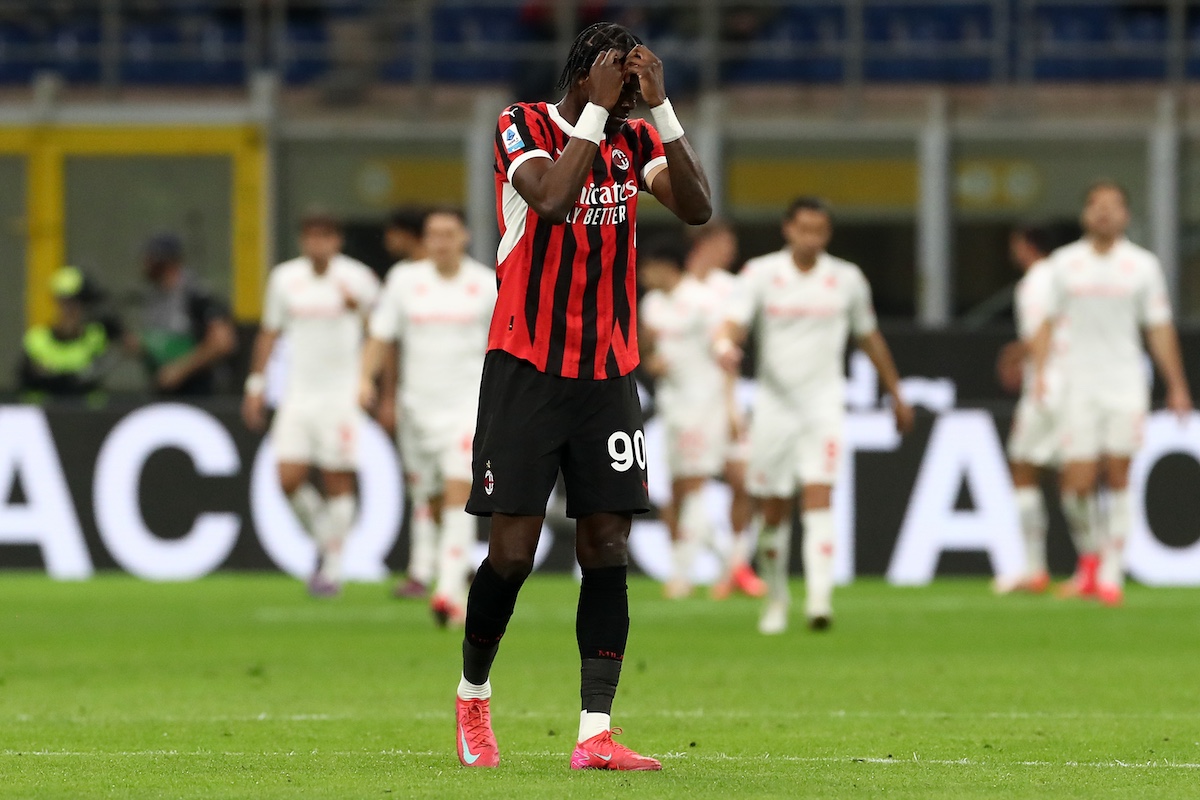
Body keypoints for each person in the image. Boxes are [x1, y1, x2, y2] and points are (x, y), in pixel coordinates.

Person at [454, 22, 711, 771]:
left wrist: (664, 114)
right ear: (591, 74)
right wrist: (597, 112)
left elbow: (695, 208)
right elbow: (555, 199)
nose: (632, 98)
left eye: (637, 87)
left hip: (606, 373)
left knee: (607, 544)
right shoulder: (520, 126)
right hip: (526, 367)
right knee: (511, 553)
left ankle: (594, 732)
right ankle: (473, 695)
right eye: (626, 84)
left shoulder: (634, 141)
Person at [715, 197, 914, 635]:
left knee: (819, 496)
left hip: (823, 406)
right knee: (773, 510)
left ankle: (820, 600)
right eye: (803, 228)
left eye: (819, 230)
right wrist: (725, 346)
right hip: (774, 408)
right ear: (787, 229)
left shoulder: (846, 279)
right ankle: (776, 597)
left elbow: (869, 337)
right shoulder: (761, 274)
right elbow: (732, 325)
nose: (811, 238)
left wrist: (896, 391)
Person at [1031, 182, 1192, 606]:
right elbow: (1046, 322)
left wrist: (1176, 385)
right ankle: (1090, 558)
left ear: (1126, 216)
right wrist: (1041, 373)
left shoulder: (1142, 266)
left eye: (1112, 206)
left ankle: (1110, 573)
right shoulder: (1065, 264)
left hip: (1124, 383)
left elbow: (1157, 328)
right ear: (1085, 214)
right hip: (1077, 384)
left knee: (1119, 474)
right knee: (1077, 483)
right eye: (1095, 206)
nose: (1103, 213)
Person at [359, 208, 496, 626]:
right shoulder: (404, 281)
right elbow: (381, 335)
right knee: (433, 501)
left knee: (459, 488)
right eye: (433, 234)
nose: (440, 242)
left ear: (464, 237)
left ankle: (448, 594)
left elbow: (504, 346)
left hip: (467, 406)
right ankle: (458, 572)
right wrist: (364, 378)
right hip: (416, 409)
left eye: (448, 233)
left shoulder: (485, 284)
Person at [242, 212, 381, 597]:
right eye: (310, 237)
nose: (316, 244)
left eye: (324, 236)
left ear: (337, 240)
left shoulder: (359, 279)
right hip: (297, 393)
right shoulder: (285, 278)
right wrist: (255, 385)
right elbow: (269, 333)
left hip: (341, 395)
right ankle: (325, 540)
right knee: (287, 478)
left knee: (338, 480)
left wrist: (371, 383)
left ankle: (332, 570)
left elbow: (382, 333)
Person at [639, 238, 742, 599]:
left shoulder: (702, 301)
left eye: (648, 268)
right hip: (672, 404)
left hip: (704, 402)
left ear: (668, 267)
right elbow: (648, 351)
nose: (642, 275)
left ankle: (681, 576)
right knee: (681, 489)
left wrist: (730, 404)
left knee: (694, 484)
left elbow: (722, 344)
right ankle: (733, 565)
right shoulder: (650, 305)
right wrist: (651, 360)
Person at [683, 220, 764, 600]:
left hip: (724, 398)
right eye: (725, 242)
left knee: (742, 479)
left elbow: (733, 350)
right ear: (704, 243)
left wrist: (732, 405)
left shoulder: (731, 289)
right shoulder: (678, 292)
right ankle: (706, 566)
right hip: (687, 403)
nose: (730, 251)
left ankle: (736, 563)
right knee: (690, 486)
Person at [995, 224, 1065, 595]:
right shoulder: (1066, 274)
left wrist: (1028, 365)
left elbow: (1043, 328)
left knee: (1023, 465)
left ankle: (1034, 567)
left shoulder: (1035, 281)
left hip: (1047, 384)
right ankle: (1094, 566)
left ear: (1024, 246)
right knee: (1074, 472)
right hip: (1074, 384)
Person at [138, 233, 237, 396]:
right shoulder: (155, 296)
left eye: (149, 259)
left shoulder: (196, 294)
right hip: (166, 394)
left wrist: (181, 369)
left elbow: (223, 342)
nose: (144, 264)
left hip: (200, 393)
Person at [18, 267, 125, 399]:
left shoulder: (96, 337)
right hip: (44, 413)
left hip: (89, 414)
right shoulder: (37, 339)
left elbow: (103, 373)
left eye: (77, 302)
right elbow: (26, 379)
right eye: (65, 302)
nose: (70, 309)